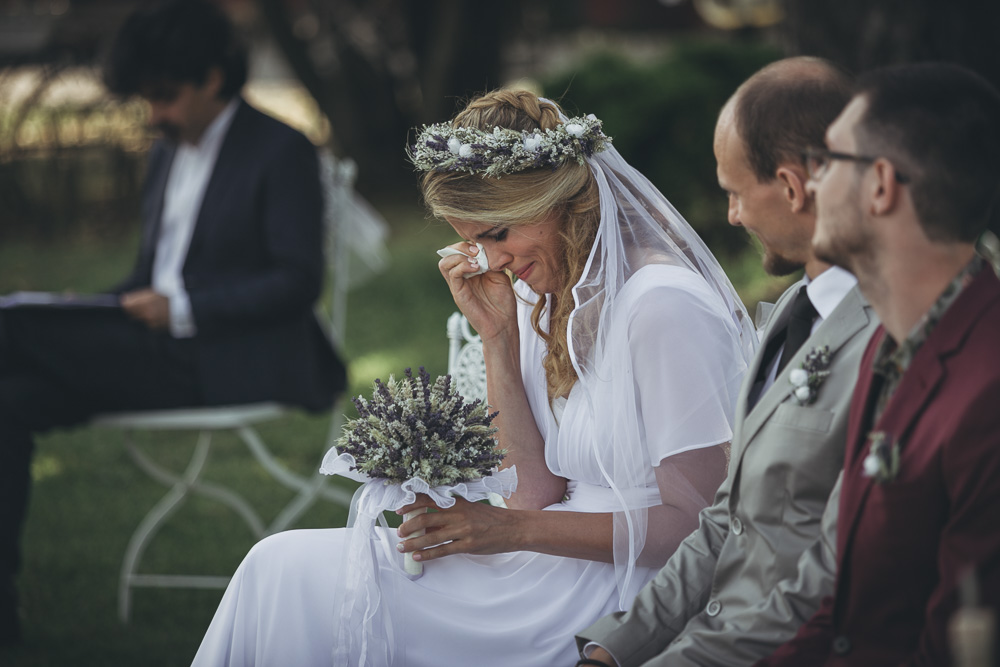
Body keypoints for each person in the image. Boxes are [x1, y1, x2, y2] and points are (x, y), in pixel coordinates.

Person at [191, 89, 757, 666]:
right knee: (276, 567)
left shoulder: (663, 307)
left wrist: (510, 533)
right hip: (543, 560)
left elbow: (697, 525)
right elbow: (532, 490)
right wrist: (498, 337)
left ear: (557, 200)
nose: (489, 259)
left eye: (498, 234)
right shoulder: (549, 292)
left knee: (291, 575)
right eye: (472, 240)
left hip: (619, 594)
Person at [0, 0, 345, 645]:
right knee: (8, 399)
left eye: (164, 96)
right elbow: (147, 279)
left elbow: (297, 282)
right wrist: (92, 309)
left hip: (231, 357)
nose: (153, 115)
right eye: (145, 99)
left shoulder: (280, 149)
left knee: (11, 330)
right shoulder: (165, 154)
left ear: (213, 77)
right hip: (151, 353)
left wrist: (179, 308)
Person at [575, 56, 881, 666]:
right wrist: (614, 648)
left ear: (793, 187)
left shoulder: (889, 340)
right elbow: (726, 515)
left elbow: (830, 571)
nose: (734, 217)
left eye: (736, 194)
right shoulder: (794, 306)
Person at [757, 62, 1000, 666]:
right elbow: (846, 608)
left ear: (881, 185)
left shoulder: (989, 389)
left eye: (829, 160)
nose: (810, 185)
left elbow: (956, 644)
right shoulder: (888, 350)